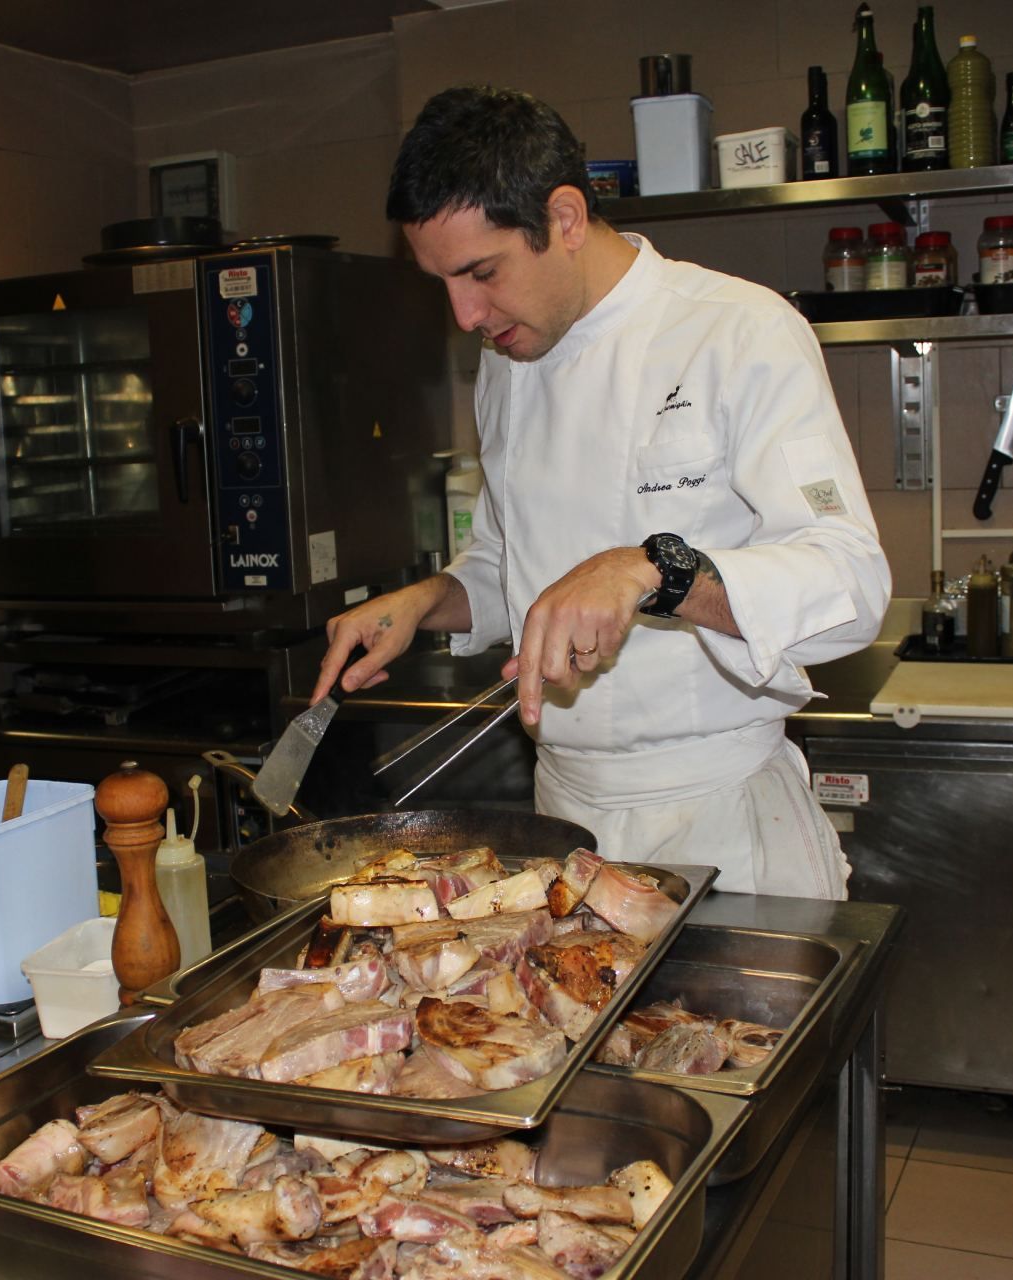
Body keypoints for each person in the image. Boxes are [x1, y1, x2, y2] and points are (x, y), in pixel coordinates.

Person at [308, 86, 889, 897]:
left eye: (482, 272)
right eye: (442, 282)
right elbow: (516, 567)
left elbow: (852, 583)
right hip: (566, 824)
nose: (466, 314)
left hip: (719, 823)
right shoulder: (509, 365)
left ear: (568, 218)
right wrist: (428, 601)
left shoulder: (737, 331)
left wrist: (654, 570)